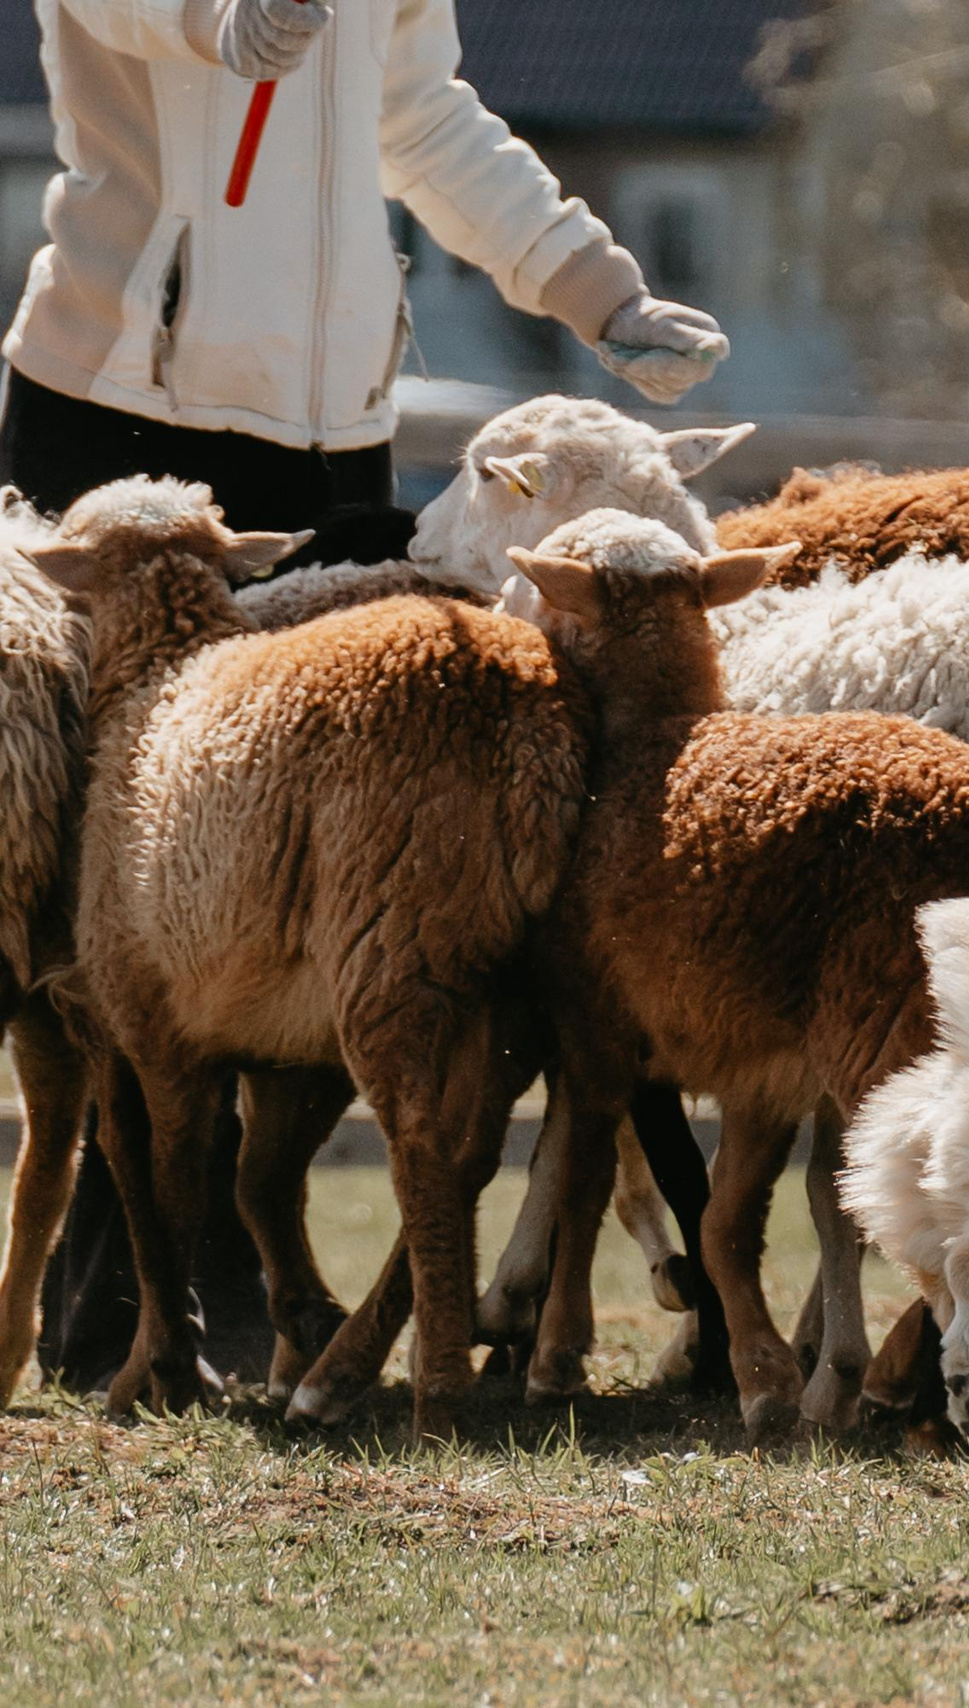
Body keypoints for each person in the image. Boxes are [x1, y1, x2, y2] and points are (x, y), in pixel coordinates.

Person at [2, 0, 728, 1394]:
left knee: (285, 869)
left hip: (330, 436)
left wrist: (590, 283)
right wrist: (225, 20)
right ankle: (131, 1302)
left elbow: (425, 116)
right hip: (127, 410)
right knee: (126, 894)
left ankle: (220, 1284)